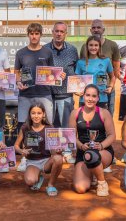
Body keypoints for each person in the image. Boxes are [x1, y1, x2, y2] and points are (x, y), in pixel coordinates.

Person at [14, 23, 54, 172]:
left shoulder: (47, 52)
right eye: (31, 33)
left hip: (44, 93)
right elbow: (16, 72)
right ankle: (26, 157)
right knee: (25, 126)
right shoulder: (20, 53)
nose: (34, 36)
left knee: (47, 126)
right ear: (28, 35)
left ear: (40, 35)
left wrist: (58, 76)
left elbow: (52, 72)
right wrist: (18, 82)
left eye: (37, 33)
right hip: (25, 94)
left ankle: (49, 156)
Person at [70, 84, 116, 197]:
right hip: (83, 152)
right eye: (88, 95)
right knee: (80, 188)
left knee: (91, 155)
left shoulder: (104, 113)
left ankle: (101, 182)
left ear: (98, 98)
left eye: (94, 96)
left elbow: (112, 135)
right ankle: (93, 171)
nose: (90, 99)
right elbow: (71, 137)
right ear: (83, 96)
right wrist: (81, 146)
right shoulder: (75, 113)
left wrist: (101, 145)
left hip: (102, 151)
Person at [43, 21, 79, 164]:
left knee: (66, 125)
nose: (59, 34)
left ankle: (67, 151)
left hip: (66, 93)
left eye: (62, 31)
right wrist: (54, 74)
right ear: (52, 32)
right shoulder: (44, 49)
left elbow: (76, 71)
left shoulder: (72, 50)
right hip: (48, 93)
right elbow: (41, 71)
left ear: (66, 34)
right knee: (50, 124)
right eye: (56, 31)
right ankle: (52, 151)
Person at [14, 103, 64, 197]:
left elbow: (53, 151)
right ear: (29, 114)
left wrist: (58, 150)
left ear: (43, 114)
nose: (36, 116)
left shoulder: (49, 128)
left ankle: (50, 185)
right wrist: (21, 151)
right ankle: (37, 176)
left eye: (39, 113)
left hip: (46, 161)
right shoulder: (25, 128)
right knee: (30, 182)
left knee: (58, 158)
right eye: (33, 113)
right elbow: (16, 145)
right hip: (32, 162)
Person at [80, 20, 120, 115]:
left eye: (98, 28)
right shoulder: (84, 47)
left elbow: (116, 69)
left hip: (105, 91)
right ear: (90, 30)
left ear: (103, 29)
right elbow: (81, 71)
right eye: (94, 28)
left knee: (107, 118)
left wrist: (110, 86)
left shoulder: (112, 45)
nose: (96, 30)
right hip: (88, 92)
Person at [75, 36, 115, 109]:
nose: (93, 48)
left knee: (101, 120)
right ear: (87, 46)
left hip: (101, 98)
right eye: (91, 45)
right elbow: (76, 81)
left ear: (99, 47)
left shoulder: (106, 61)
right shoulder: (80, 62)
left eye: (96, 45)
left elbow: (112, 77)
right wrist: (76, 91)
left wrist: (110, 87)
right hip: (85, 99)